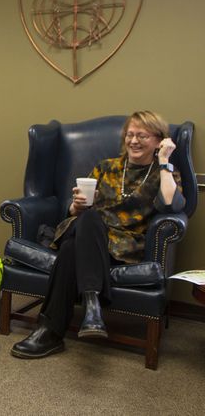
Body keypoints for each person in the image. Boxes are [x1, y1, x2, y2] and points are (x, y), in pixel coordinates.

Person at [10, 111, 185, 359]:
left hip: (122, 245)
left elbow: (172, 205)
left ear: (159, 140)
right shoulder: (107, 167)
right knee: (90, 217)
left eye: (142, 136)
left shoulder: (163, 173)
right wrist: (75, 206)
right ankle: (92, 306)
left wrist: (165, 161)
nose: (133, 141)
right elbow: (75, 207)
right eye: (130, 135)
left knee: (70, 250)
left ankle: (49, 331)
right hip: (88, 229)